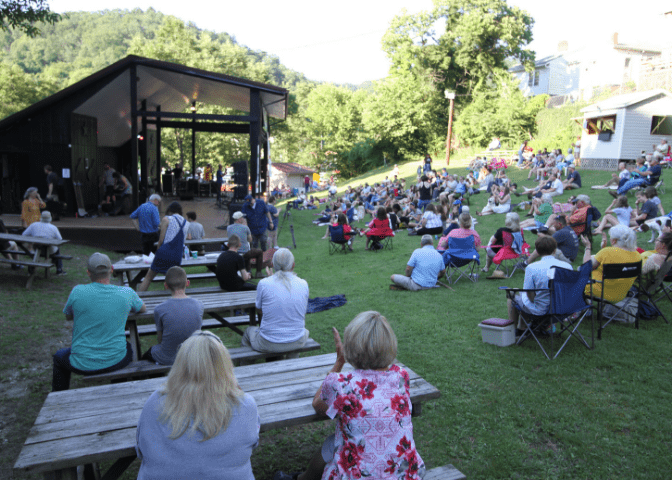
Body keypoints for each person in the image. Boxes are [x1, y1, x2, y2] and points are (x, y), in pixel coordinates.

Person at [274, 312, 425, 480]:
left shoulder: (342, 384)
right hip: (406, 474)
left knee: (336, 445)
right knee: (334, 442)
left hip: (357, 476)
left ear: (351, 346)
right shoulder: (401, 376)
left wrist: (339, 362)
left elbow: (318, 404)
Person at [136, 331, 259, 480]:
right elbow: (253, 443)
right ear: (226, 364)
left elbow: (141, 451)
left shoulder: (154, 402)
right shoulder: (246, 405)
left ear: (179, 363)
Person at [52, 253, 145, 391]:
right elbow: (142, 309)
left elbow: (68, 316)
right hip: (116, 360)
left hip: (81, 362)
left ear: (88, 273)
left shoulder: (77, 292)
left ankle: (58, 398)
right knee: (128, 347)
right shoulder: (127, 293)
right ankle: (120, 387)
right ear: (112, 269)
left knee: (59, 357)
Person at [242, 248, 309, 357]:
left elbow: (259, 309)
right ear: (293, 265)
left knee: (248, 332)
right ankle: (292, 364)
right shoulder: (303, 284)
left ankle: (245, 365)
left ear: (272, 264)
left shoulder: (264, 284)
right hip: (297, 340)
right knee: (301, 332)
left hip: (268, 342)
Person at [507, 236, 573, 335]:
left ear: (537, 251)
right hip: (563, 310)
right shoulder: (567, 266)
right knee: (523, 295)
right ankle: (526, 327)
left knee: (512, 296)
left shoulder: (532, 268)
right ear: (555, 250)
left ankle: (511, 332)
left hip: (541, 311)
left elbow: (529, 294)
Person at [141, 266, 204, 365]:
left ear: (166, 285)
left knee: (146, 356)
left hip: (168, 358)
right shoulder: (199, 305)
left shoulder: (159, 309)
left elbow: (160, 339)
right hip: (193, 356)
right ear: (187, 283)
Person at [581, 225, 641, 303]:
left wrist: (587, 247)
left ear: (614, 240)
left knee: (579, 272)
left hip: (598, 291)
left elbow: (585, 266)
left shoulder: (607, 252)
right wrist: (603, 249)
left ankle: (585, 307)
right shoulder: (637, 256)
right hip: (620, 294)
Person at [138, 202, 189, 292]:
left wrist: (158, 252)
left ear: (169, 210)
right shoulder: (186, 223)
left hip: (165, 252)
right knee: (172, 280)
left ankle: (137, 299)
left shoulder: (166, 219)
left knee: (148, 277)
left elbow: (161, 240)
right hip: (177, 255)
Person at [22, 210, 66, 275]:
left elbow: (24, 235)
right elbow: (60, 240)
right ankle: (59, 269)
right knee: (57, 250)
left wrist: (31, 241)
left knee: (53, 249)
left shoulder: (34, 225)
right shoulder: (53, 228)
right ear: (50, 218)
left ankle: (33, 267)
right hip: (50, 251)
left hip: (36, 249)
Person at [227, 211, 265, 278]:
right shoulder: (245, 228)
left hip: (233, 251)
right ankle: (258, 272)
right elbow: (250, 240)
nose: (243, 219)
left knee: (247, 254)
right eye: (242, 217)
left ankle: (249, 270)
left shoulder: (228, 228)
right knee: (259, 252)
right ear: (239, 219)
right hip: (244, 252)